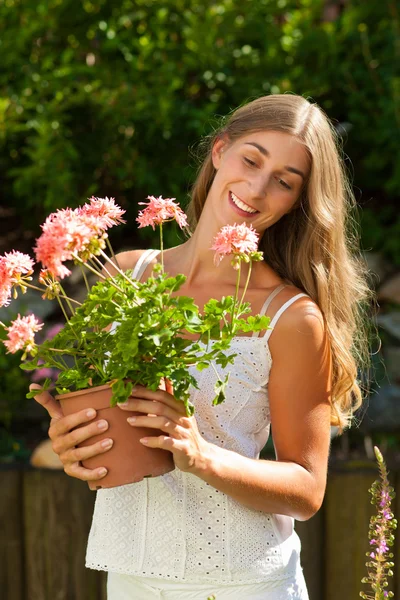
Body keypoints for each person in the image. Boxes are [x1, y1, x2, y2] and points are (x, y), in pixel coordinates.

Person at [32, 93, 374, 599]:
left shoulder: (292, 317)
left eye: (283, 181)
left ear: (296, 201)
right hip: (128, 577)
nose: (257, 188)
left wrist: (201, 455)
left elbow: (307, 489)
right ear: (219, 152)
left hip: (243, 582)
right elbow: (108, 417)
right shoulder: (127, 276)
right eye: (251, 159)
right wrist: (74, 443)